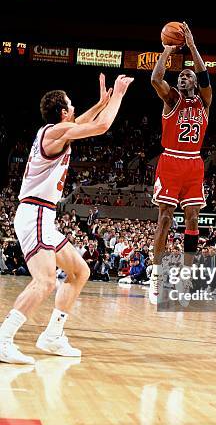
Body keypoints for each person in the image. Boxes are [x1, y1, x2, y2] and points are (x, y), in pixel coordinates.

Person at [0, 73, 133, 364]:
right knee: (45, 281)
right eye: (71, 107)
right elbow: (99, 126)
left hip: (44, 216)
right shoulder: (51, 134)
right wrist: (119, 95)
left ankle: (52, 336)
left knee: (80, 272)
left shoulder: (54, 131)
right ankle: (4, 339)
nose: (74, 110)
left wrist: (100, 102)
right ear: (62, 112)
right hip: (35, 211)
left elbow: (80, 123)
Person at [149, 22, 212, 304]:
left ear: (195, 82)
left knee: (193, 219)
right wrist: (167, 51)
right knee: (164, 218)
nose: (183, 78)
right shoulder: (171, 99)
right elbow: (155, 78)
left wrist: (193, 47)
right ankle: (156, 275)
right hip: (171, 160)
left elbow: (205, 77)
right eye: (181, 76)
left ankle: (186, 278)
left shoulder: (205, 102)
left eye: (188, 76)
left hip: (194, 163)